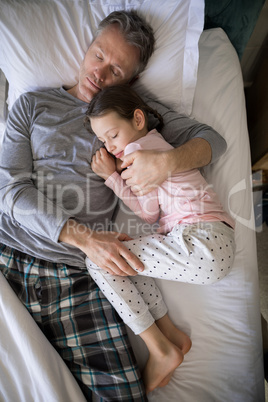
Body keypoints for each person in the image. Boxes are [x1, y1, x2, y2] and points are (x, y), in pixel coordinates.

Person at [0, 9, 227, 402]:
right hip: (11, 253)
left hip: (78, 275)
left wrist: (166, 162)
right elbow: (9, 191)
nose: (100, 74)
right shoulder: (32, 106)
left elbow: (212, 141)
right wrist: (87, 239)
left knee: (123, 395)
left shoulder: (131, 112)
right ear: (88, 47)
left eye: (117, 71)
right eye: (99, 55)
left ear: (132, 82)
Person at [85, 84, 236, 393]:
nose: (109, 145)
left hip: (201, 241)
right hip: (210, 240)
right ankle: (172, 336)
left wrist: (112, 176)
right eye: (102, 140)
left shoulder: (136, 152)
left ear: (138, 120)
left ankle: (160, 349)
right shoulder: (156, 142)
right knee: (123, 258)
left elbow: (148, 212)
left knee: (99, 261)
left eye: (112, 135)